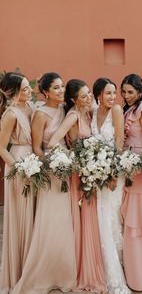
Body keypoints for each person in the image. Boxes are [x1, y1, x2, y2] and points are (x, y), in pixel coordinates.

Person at [12, 72, 77, 294]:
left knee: (67, 221)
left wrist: (66, 162)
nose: (61, 91)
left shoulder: (64, 109)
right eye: (56, 88)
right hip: (51, 172)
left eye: (62, 86)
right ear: (46, 92)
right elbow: (38, 146)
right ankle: (44, 272)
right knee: (50, 220)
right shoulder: (40, 113)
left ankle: (66, 270)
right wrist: (49, 165)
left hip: (66, 169)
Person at [48, 79, 107, 293]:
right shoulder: (73, 115)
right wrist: (75, 159)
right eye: (83, 96)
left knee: (90, 219)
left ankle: (90, 266)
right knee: (82, 219)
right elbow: (53, 142)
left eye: (89, 93)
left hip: (89, 174)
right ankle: (82, 270)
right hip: (79, 175)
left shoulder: (87, 113)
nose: (89, 97)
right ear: (74, 99)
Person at [91, 78, 130, 294]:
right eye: (107, 93)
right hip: (96, 174)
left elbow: (119, 142)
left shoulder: (116, 110)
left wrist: (113, 171)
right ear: (98, 94)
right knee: (99, 217)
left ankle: (118, 269)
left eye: (114, 93)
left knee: (112, 218)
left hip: (113, 173)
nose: (112, 97)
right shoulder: (93, 111)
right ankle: (100, 267)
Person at [120, 73, 142, 291]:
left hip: (139, 171)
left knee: (137, 223)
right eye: (124, 92)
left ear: (140, 91)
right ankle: (133, 271)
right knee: (129, 220)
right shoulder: (128, 110)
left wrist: (139, 167)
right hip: (127, 168)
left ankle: (139, 277)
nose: (126, 96)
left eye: (130, 92)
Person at [0, 72, 34, 294]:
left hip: (33, 164)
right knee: (20, 217)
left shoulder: (30, 108)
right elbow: (1, 148)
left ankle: (32, 266)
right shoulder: (10, 114)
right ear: (13, 92)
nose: (29, 90)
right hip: (18, 167)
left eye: (28, 86)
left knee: (32, 216)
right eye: (24, 88)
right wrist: (19, 169)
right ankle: (18, 272)